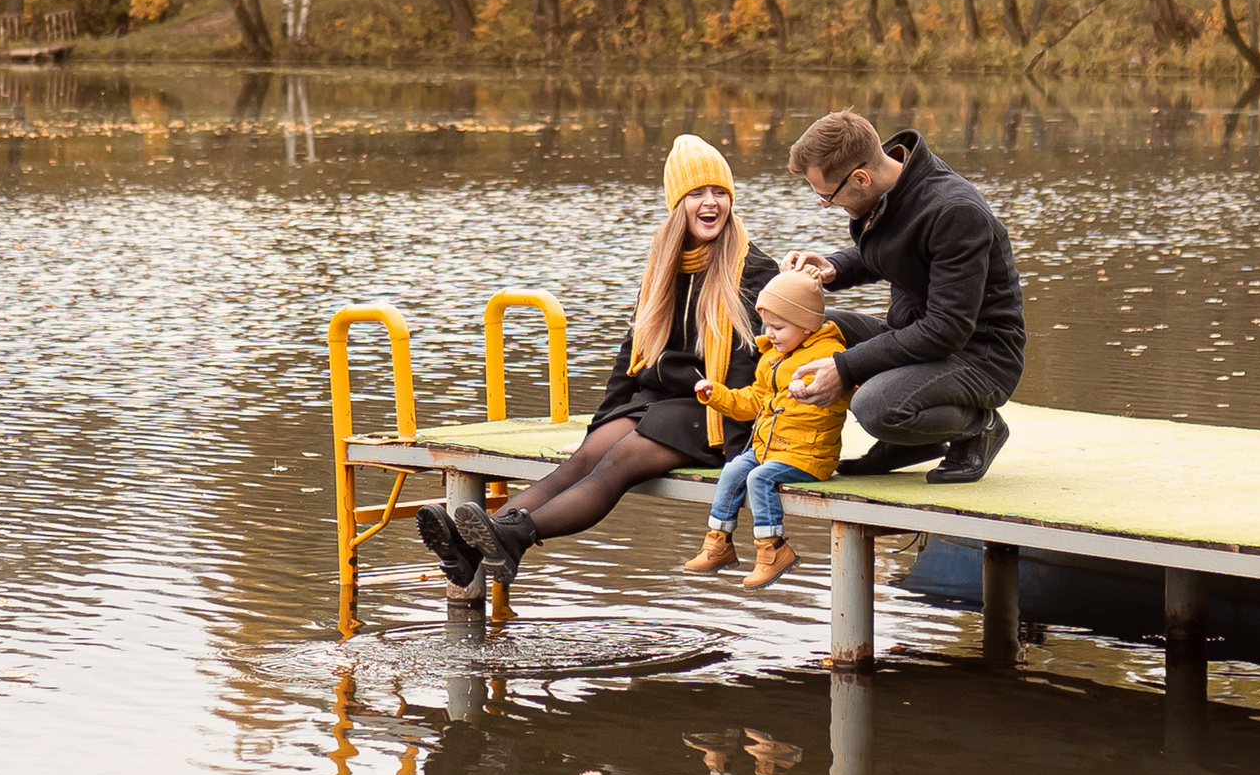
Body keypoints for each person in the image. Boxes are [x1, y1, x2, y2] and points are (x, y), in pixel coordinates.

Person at [417, 134, 778, 589]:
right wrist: (598, 426)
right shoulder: (664, 264)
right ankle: (469, 545)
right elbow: (631, 354)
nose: (711, 204)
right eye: (697, 194)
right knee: (583, 458)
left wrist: (735, 440)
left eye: (720, 193)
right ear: (677, 203)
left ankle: (511, 537)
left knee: (616, 462)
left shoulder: (755, 270)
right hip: (657, 401)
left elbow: (758, 365)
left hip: (716, 410)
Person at [781, 111, 1027, 484]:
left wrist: (846, 368)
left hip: (980, 356)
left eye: (827, 196)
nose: (826, 206)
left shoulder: (955, 212)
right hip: (926, 338)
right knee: (812, 325)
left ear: (861, 178)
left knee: (877, 406)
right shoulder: (893, 186)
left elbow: (946, 329)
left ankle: (980, 427)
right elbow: (901, 250)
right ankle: (909, 443)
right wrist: (834, 267)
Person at [685, 269, 849, 588]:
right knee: (733, 471)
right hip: (769, 448)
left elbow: (845, 393)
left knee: (759, 478)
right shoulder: (772, 358)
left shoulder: (828, 357)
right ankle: (718, 542)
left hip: (808, 455)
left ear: (806, 325)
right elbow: (755, 400)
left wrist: (814, 394)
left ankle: (772, 550)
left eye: (778, 327)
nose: (770, 334)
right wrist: (717, 394)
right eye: (767, 326)